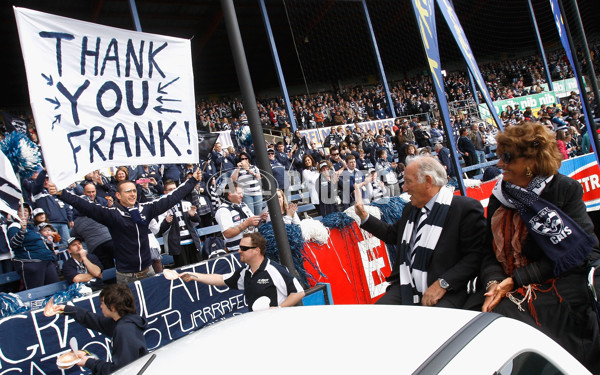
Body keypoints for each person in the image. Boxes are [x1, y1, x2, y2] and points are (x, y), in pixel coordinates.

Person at [478, 122, 600, 373]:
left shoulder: (564, 189)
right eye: (500, 157)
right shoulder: (499, 195)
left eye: (508, 158)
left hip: (560, 278)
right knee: (477, 316)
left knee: (502, 315)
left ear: (532, 163)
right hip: (509, 283)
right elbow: (488, 251)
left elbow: (580, 252)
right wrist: (493, 282)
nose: (500, 164)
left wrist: (516, 280)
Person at [355, 156, 485, 307]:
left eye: (409, 182)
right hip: (407, 285)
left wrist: (443, 283)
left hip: (448, 289)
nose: (404, 188)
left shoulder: (465, 209)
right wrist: (364, 216)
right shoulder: (411, 208)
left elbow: (476, 256)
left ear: (428, 181)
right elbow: (392, 235)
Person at [48, 169, 203, 285]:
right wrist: (61, 194)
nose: (132, 194)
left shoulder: (146, 209)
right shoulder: (111, 214)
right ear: (118, 195)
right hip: (126, 276)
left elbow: (172, 197)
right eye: (128, 192)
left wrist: (193, 180)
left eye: (134, 191)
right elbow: (84, 205)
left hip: (148, 271)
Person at [181, 232, 305, 311]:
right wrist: (194, 276)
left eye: (244, 248)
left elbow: (298, 292)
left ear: (256, 250)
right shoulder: (244, 273)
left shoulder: (274, 270)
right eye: (240, 248)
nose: (239, 251)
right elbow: (220, 279)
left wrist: (279, 309)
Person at [47, 284, 148, 374]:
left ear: (112, 307)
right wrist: (67, 309)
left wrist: (89, 362)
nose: (100, 306)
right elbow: (96, 321)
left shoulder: (124, 330)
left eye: (103, 303)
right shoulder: (124, 321)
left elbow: (121, 370)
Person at [8, 204, 60, 290]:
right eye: (21, 210)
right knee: (37, 294)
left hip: (47, 261)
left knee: (55, 290)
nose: (24, 212)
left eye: (26, 210)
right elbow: (14, 243)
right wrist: (22, 231)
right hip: (31, 263)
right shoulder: (14, 226)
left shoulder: (34, 228)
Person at [155, 180, 202, 268]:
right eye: (170, 189)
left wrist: (193, 216)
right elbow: (160, 230)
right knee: (184, 271)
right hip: (177, 245)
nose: (173, 191)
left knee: (199, 268)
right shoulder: (162, 208)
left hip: (192, 242)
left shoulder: (187, 204)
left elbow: (196, 223)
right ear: (165, 192)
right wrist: (166, 222)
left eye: (174, 189)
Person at [215, 183, 262, 252]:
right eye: (239, 193)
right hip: (238, 250)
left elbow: (254, 224)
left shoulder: (243, 205)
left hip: (253, 245)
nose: (242, 196)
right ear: (230, 193)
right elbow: (228, 233)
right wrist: (246, 223)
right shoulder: (223, 210)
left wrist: (260, 219)